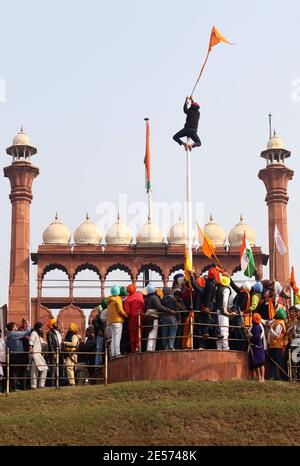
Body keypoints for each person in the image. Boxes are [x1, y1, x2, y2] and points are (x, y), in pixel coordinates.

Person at [144, 283, 172, 351]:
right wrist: (170, 310)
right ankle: (150, 349)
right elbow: (159, 306)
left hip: (149, 318)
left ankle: (150, 349)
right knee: (152, 334)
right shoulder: (154, 297)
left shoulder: (147, 298)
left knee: (151, 334)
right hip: (153, 318)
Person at [6, 320, 31, 391]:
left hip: (12, 355)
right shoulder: (14, 334)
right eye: (15, 326)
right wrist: (28, 324)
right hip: (18, 355)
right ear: (13, 328)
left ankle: (13, 388)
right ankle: (14, 388)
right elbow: (27, 332)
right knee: (16, 372)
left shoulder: (8, 335)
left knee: (14, 371)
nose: (16, 327)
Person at [107, 285, 128, 358]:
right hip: (117, 320)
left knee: (113, 337)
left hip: (111, 321)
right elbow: (120, 310)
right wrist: (126, 315)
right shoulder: (117, 299)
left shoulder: (109, 300)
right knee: (117, 337)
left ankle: (113, 354)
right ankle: (117, 353)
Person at [124, 284, 145, 353]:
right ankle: (138, 347)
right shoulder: (140, 295)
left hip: (132, 319)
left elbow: (127, 312)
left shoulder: (127, 300)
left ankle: (133, 350)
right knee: (139, 333)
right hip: (141, 317)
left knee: (133, 334)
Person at [268, 308, 287, 380]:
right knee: (272, 362)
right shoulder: (275, 322)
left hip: (277, 346)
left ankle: (283, 377)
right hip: (272, 345)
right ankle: (272, 376)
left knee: (279, 362)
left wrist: (270, 329)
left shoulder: (280, 323)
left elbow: (276, 335)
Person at [29, 322, 48, 389]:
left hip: (38, 354)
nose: (41, 329)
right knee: (34, 370)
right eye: (40, 328)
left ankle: (41, 384)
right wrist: (31, 352)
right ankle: (34, 386)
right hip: (34, 354)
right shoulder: (33, 333)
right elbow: (31, 343)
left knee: (44, 368)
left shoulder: (36, 334)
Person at [248, 313, 266, 382]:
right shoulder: (259, 326)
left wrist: (250, 336)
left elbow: (256, 338)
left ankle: (260, 378)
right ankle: (262, 378)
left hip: (256, 347)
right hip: (260, 346)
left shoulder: (256, 327)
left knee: (257, 363)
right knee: (261, 363)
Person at [216, 275, 232, 351]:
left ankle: (219, 347)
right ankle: (225, 347)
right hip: (223, 313)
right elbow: (225, 301)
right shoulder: (226, 290)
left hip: (218, 311)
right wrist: (225, 310)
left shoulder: (218, 289)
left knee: (219, 330)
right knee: (224, 330)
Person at [47, 318, 63, 387]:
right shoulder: (50, 333)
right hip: (54, 353)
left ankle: (59, 384)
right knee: (53, 369)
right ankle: (52, 385)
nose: (57, 324)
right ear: (52, 324)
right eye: (55, 323)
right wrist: (53, 353)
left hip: (60, 352)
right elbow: (50, 344)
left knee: (60, 368)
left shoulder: (58, 332)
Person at [0, 328, 6, 393]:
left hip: (1, 360)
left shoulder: (2, 340)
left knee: (1, 376)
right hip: (1, 360)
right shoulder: (2, 341)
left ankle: (1, 390)